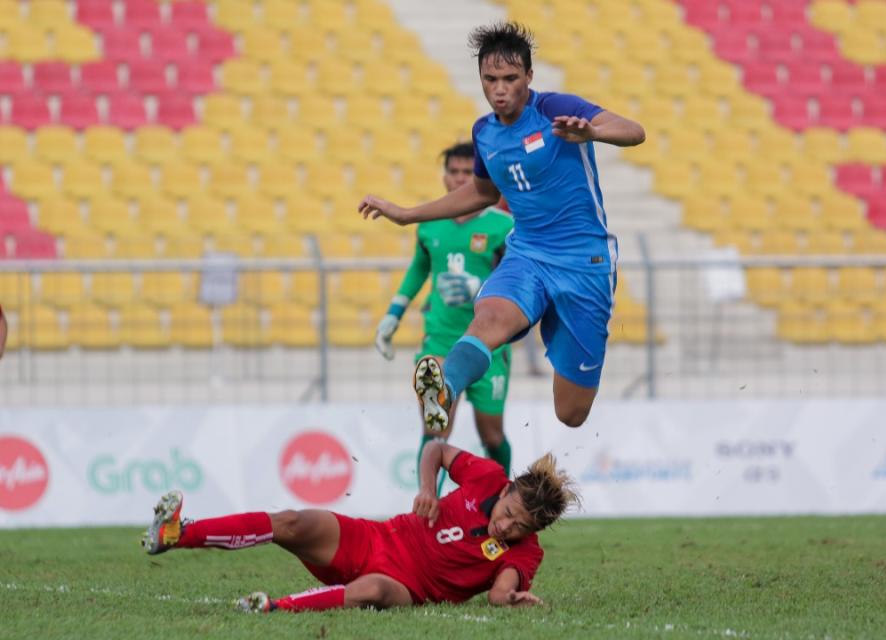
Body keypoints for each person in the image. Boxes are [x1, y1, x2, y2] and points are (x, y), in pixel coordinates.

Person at [358, 22, 645, 431]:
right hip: (527, 253)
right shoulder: (484, 132)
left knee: (571, 413)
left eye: (510, 78)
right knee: (488, 316)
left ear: (529, 77)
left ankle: (554, 339)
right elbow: (482, 192)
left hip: (585, 262)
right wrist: (406, 214)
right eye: (490, 79)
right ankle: (445, 388)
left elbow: (635, 131)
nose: (500, 89)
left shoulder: (553, 109)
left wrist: (593, 132)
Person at [141, 441, 580, 612]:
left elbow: (501, 590)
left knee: (373, 592)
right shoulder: (486, 475)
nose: (505, 526)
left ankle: (272, 607)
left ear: (534, 529)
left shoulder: (526, 554)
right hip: (376, 538)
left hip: (407, 586)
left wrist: (513, 599)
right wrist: (428, 486)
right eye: (507, 513)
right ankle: (175, 534)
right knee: (291, 521)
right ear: (505, 489)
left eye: (518, 527)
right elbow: (435, 448)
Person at [374, 142, 514, 486]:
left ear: (480, 176)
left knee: (492, 435)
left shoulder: (503, 225)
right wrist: (394, 313)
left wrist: (479, 287)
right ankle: (427, 512)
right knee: (436, 426)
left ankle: (501, 503)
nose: (460, 178)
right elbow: (419, 268)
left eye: (468, 172)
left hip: (488, 341)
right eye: (454, 172)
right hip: (440, 337)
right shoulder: (430, 225)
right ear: (445, 177)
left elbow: (517, 278)